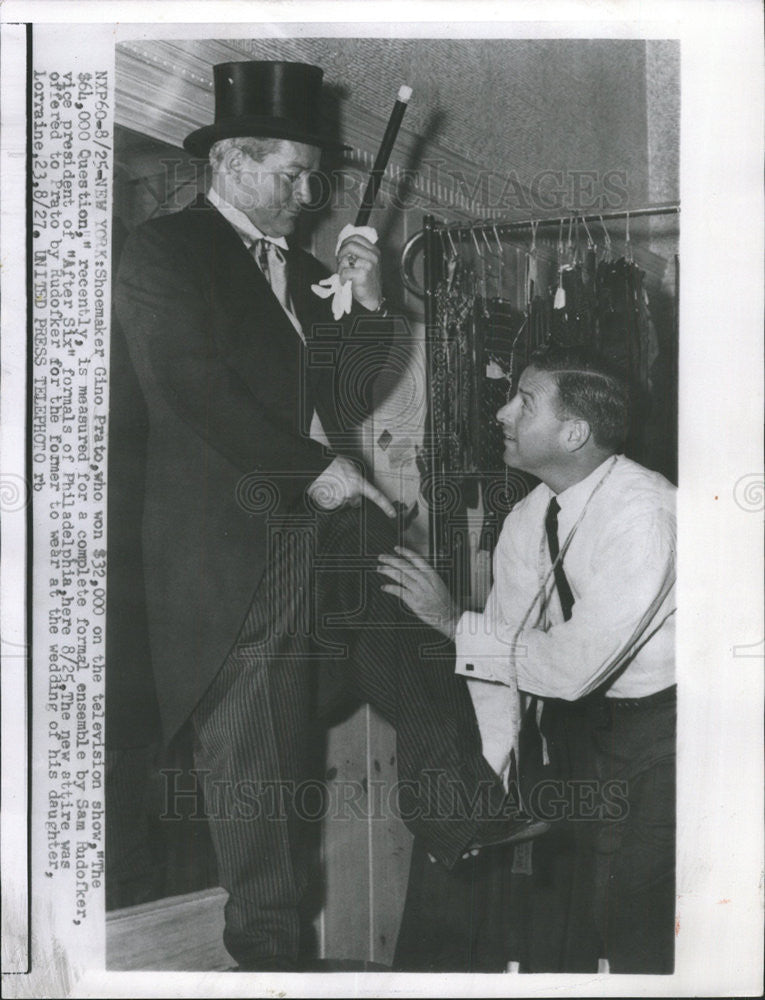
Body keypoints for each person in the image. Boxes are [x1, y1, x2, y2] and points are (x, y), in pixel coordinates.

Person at [114, 60, 533, 971]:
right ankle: (269, 962)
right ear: (229, 160)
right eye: (287, 175)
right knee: (257, 760)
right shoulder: (163, 251)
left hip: (318, 530)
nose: (307, 196)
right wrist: (318, 475)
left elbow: (337, 387)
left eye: (315, 178)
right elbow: (193, 386)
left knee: (415, 638)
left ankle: (455, 812)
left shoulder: (304, 271)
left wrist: (368, 307)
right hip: (227, 555)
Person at [379, 345, 676, 973]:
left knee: (633, 910)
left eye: (525, 400)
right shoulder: (528, 517)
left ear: (574, 432)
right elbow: (500, 670)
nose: (502, 411)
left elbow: (567, 669)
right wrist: (479, 801)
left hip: (669, 727)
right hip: (586, 727)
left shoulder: (643, 517)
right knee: (580, 903)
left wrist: (450, 620)